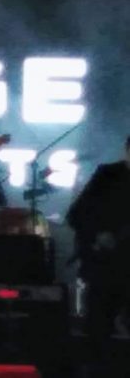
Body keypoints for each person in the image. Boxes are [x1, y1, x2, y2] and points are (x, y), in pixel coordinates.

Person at [67, 136, 130, 355]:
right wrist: (98, 235)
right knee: (99, 326)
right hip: (106, 265)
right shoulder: (108, 176)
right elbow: (77, 215)